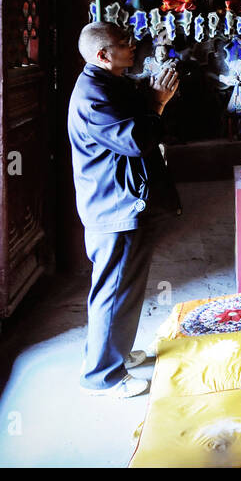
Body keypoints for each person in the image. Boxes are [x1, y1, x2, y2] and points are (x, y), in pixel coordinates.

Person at [68, 22, 181, 398]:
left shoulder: (109, 82)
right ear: (103, 55)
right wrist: (159, 104)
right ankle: (103, 376)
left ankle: (114, 355)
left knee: (124, 289)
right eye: (124, 43)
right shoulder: (93, 95)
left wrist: (151, 95)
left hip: (122, 199)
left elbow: (134, 109)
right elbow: (136, 139)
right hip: (112, 205)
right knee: (113, 291)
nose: (133, 46)